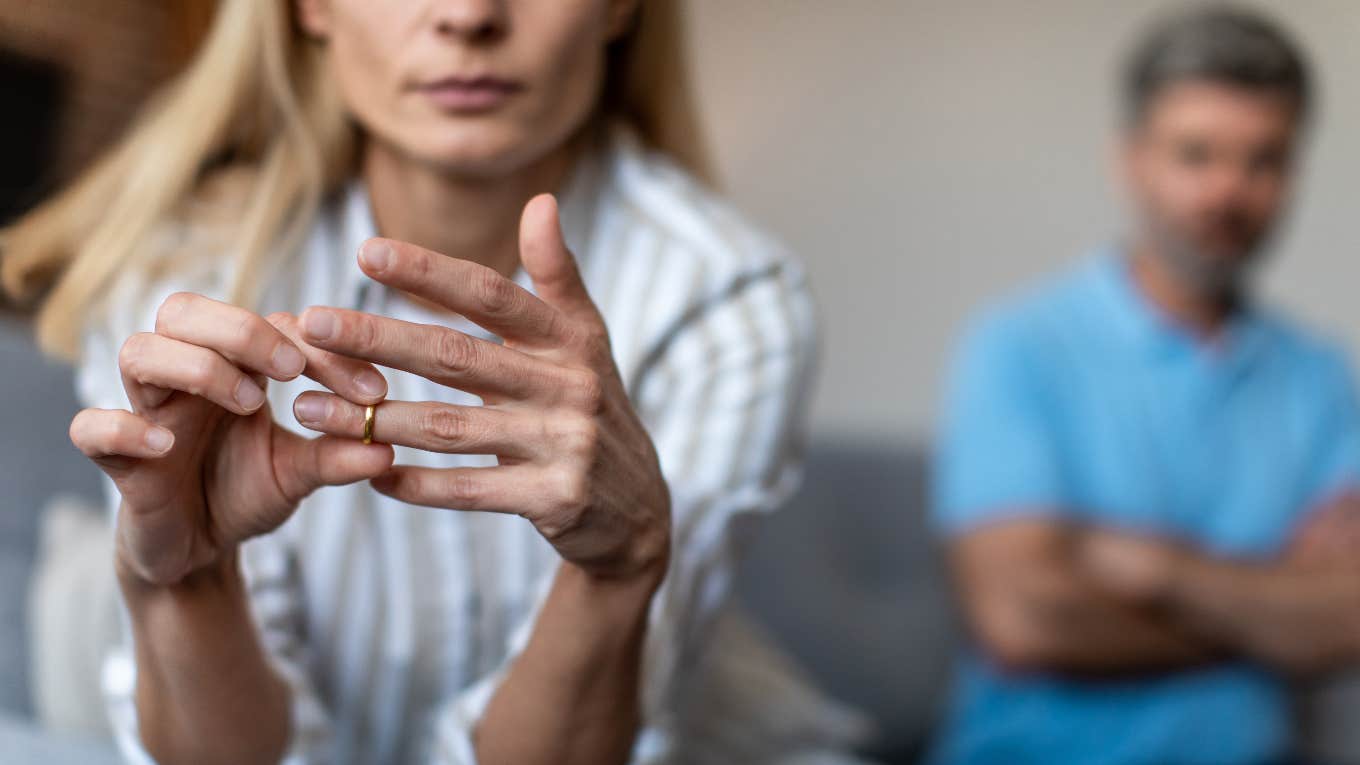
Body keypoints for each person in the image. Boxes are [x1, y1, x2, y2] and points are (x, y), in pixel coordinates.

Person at [1, 2, 861, 763]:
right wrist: (186, 583)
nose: (469, 15)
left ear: (619, 8)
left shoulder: (728, 299)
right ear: (311, 8)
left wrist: (623, 566)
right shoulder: (178, 280)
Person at [928, 6, 1360, 764]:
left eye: (1264, 159)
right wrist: (1274, 617)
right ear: (1130, 159)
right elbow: (1023, 617)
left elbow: (1348, 617)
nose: (1228, 191)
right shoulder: (1021, 347)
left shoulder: (1320, 378)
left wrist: (1156, 569)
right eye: (1196, 155)